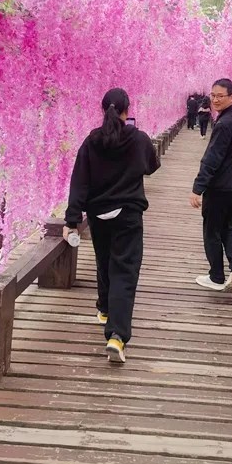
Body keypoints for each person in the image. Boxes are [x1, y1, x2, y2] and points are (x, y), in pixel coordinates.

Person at [64, 88, 160, 364]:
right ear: (127, 110)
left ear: (103, 109)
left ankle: (105, 309)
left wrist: (72, 220)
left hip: (98, 214)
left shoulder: (92, 141)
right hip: (128, 214)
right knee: (124, 273)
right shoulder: (138, 139)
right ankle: (116, 336)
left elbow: (79, 180)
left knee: (104, 262)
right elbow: (151, 166)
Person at [189, 78, 232, 292]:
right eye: (213, 95)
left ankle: (216, 276)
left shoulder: (224, 124)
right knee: (228, 229)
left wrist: (198, 188)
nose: (215, 99)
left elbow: (212, 158)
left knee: (212, 231)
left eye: (220, 96)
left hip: (221, 189)